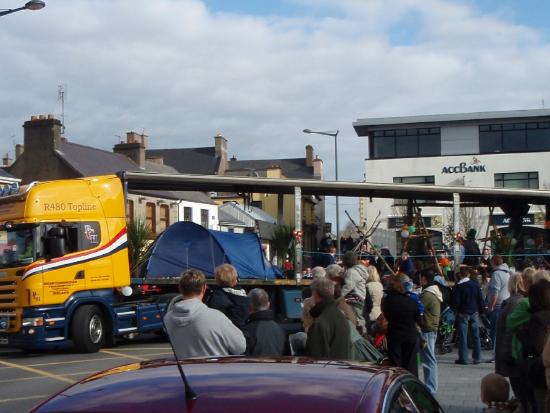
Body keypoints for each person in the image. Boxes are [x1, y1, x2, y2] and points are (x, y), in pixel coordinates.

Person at [164, 269, 246, 359]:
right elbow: (241, 346)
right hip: (214, 370)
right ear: (204, 288)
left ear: (180, 288)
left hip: (184, 371)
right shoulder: (215, 316)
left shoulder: (168, 318)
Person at [494, 273, 528, 409]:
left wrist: (504, 357)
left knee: (520, 392)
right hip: (513, 352)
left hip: (512, 353)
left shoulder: (513, 303)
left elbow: (507, 333)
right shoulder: (518, 302)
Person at [516, 279, 550, 412]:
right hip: (542, 373)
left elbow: (537, 347)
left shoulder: (538, 318)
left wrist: (523, 335)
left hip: (540, 375)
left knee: (538, 406)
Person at [382, 277, 421, 376]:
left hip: (394, 334)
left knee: (395, 364)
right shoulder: (410, 300)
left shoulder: (386, 301)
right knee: (411, 364)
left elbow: (386, 315)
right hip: (410, 333)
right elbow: (418, 318)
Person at [306, 277, 351, 360]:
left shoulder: (321, 322)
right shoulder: (340, 316)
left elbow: (316, 358)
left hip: (327, 370)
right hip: (341, 368)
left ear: (315, 293)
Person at [451, 267, 485, 365]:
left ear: (460, 275)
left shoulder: (458, 287)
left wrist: (455, 308)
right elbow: (480, 298)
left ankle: (463, 358)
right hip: (474, 311)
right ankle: (477, 357)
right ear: (468, 274)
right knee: (476, 335)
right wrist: (481, 309)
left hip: (463, 312)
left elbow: (456, 302)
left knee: (463, 336)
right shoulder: (475, 285)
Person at [242, 288, 288, 357]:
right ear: (268, 304)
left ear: (249, 305)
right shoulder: (281, 329)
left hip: (254, 367)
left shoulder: (247, 330)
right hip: (277, 366)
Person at [419, 269, 442, 394]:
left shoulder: (427, 294)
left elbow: (417, 307)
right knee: (428, 358)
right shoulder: (433, 291)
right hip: (431, 327)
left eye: (420, 277)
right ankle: (430, 385)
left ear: (424, 279)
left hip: (427, 328)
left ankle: (431, 387)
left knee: (429, 359)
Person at [207, 264, 249, 329]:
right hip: (242, 331)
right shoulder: (244, 296)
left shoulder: (217, 296)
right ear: (235, 278)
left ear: (217, 280)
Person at [487, 255, 512, 356]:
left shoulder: (496, 274)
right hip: (507, 303)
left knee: (495, 331)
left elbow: (495, 292)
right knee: (504, 330)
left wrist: (491, 306)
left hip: (498, 305)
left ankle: (496, 354)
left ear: (493, 262)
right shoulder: (509, 272)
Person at [340, 251, 369, 333]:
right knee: (358, 315)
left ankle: (362, 332)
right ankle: (362, 331)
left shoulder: (351, 272)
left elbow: (348, 286)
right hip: (360, 296)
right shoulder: (358, 270)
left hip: (355, 297)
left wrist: (339, 296)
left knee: (355, 316)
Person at [302, 266, 329, 332]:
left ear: (314, 276)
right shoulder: (330, 287)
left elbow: (306, 315)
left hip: (312, 327)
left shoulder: (308, 291)